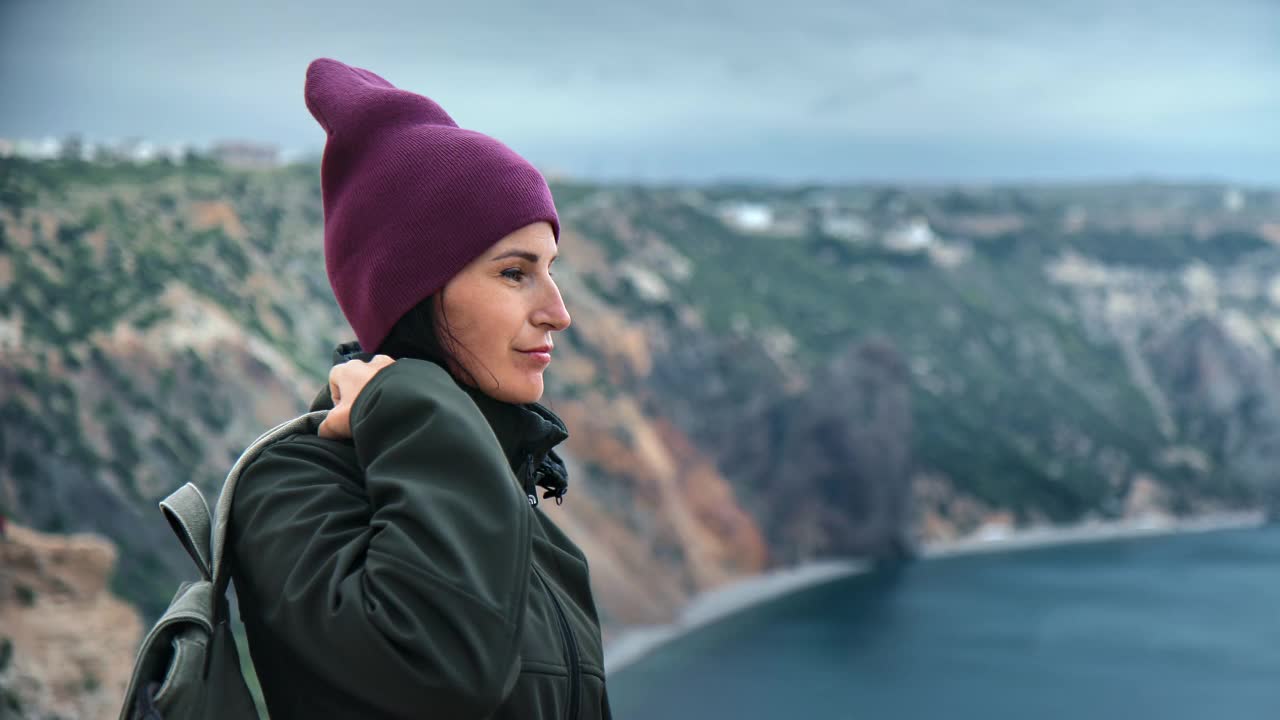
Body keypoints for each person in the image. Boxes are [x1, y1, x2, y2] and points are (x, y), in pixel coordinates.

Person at [228, 58, 611, 719]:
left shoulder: (509, 491)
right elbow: (442, 672)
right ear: (414, 293)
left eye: (551, 269)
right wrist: (411, 398)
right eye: (515, 273)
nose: (558, 310)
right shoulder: (293, 485)